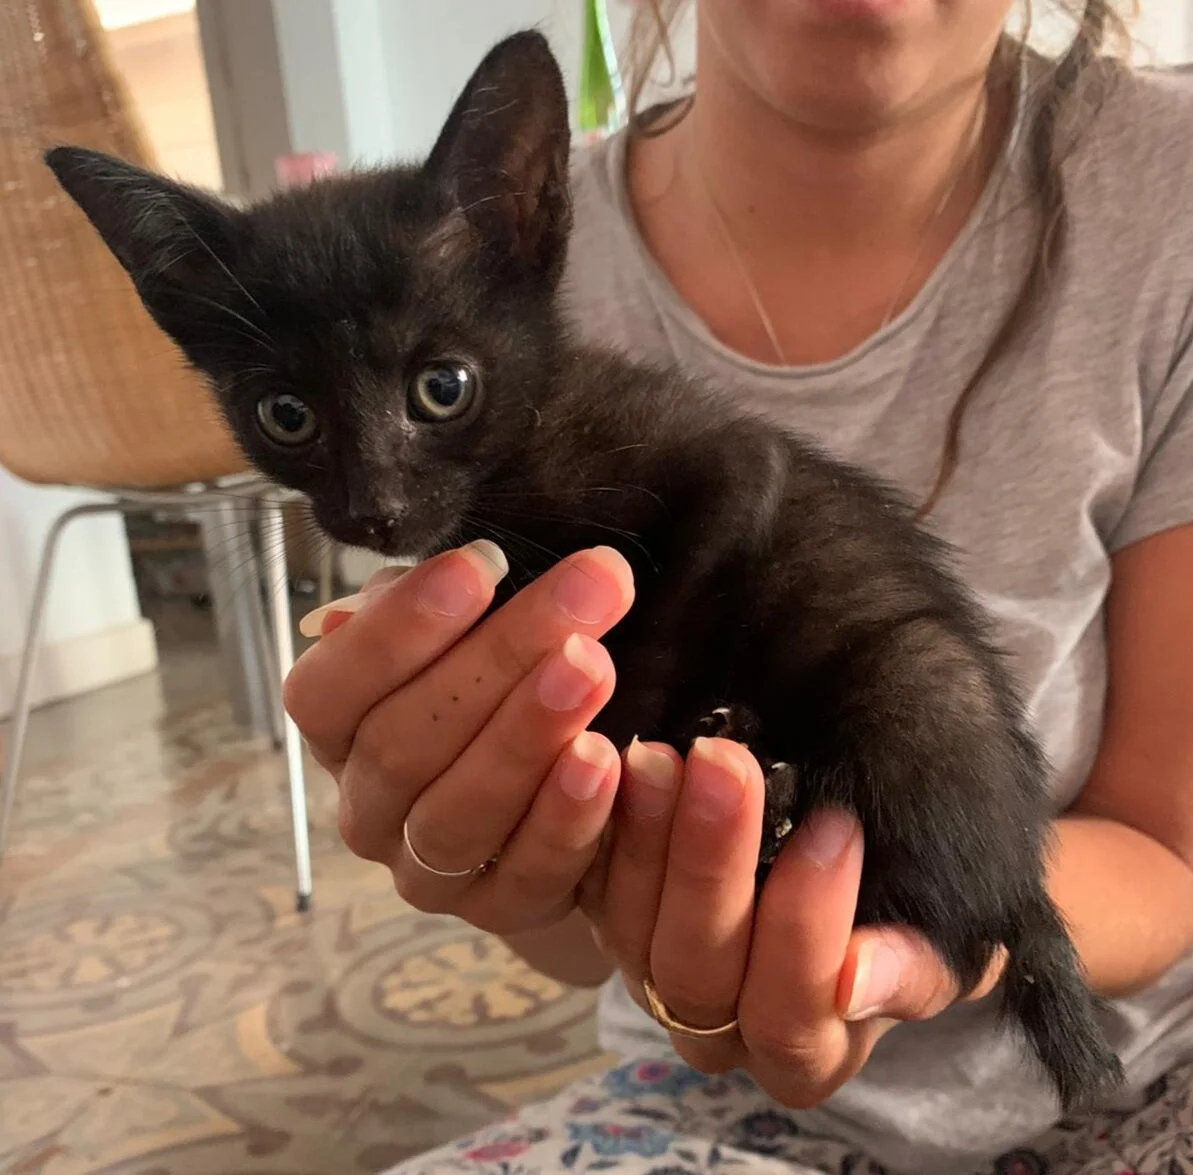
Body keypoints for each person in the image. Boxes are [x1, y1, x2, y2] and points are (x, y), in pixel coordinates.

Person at [283, 0, 1193, 1170]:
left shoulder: (1163, 198)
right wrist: (506, 853)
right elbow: (573, 934)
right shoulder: (481, 273)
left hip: (1147, 1062)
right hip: (714, 1096)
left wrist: (943, 940)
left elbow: (1168, 849)